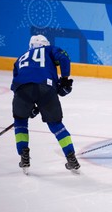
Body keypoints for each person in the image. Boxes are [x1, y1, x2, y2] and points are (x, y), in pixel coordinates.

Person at [11, 34, 80, 174]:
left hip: (22, 91)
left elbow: (17, 84)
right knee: (56, 125)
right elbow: (64, 57)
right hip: (46, 88)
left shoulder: (20, 59)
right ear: (45, 44)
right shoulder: (49, 50)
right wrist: (65, 79)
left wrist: (29, 107)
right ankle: (71, 157)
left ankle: (24, 155)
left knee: (20, 121)